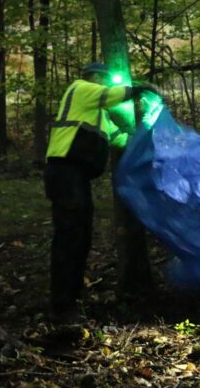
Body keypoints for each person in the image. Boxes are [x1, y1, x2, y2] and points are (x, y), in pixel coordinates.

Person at [44, 62, 157, 324]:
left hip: (76, 177)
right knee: (70, 236)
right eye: (105, 79)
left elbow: (119, 139)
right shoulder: (81, 88)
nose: (107, 84)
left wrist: (147, 141)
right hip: (64, 171)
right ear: (94, 77)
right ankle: (61, 306)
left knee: (80, 237)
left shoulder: (99, 114)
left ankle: (72, 300)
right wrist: (140, 88)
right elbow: (112, 95)